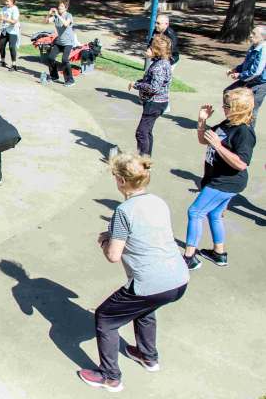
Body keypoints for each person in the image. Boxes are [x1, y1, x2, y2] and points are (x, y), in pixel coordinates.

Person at [78, 153, 188, 393]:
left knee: (105, 318)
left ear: (119, 180)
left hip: (151, 282)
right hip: (178, 279)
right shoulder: (158, 202)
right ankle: (148, 356)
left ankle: (110, 377)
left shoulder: (123, 211)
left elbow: (113, 256)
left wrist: (105, 240)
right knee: (145, 307)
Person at [183, 88, 256, 270]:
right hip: (216, 178)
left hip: (225, 182)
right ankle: (219, 253)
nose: (223, 108)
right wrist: (202, 120)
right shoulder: (228, 123)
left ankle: (189, 257)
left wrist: (218, 145)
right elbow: (204, 140)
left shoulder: (244, 132)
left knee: (195, 212)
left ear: (239, 108)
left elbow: (241, 164)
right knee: (214, 214)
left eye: (227, 105)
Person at [129, 34, 172, 156]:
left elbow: (154, 88)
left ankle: (142, 163)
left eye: (150, 48)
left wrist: (136, 85)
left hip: (154, 104)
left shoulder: (159, 66)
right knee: (147, 132)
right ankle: (147, 159)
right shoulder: (161, 63)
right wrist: (140, 82)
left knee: (141, 133)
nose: (147, 50)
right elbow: (152, 81)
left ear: (157, 51)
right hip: (156, 103)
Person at [225, 25, 266, 125]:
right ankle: (233, 121)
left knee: (251, 109)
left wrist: (239, 75)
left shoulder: (263, 50)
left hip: (259, 84)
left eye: (254, 34)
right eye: (251, 33)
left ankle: (248, 134)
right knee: (228, 93)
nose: (250, 35)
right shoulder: (253, 47)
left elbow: (256, 72)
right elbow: (246, 64)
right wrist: (235, 69)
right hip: (248, 79)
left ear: (263, 37)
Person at [46, 0, 76, 87]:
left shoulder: (69, 15)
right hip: (59, 42)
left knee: (64, 60)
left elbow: (66, 24)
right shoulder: (55, 16)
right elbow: (46, 21)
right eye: (59, 6)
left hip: (68, 42)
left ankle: (70, 80)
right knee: (51, 57)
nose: (59, 8)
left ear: (66, 8)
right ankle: (54, 76)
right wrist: (49, 14)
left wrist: (58, 16)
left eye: (62, 6)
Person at [0, 0, 20, 71]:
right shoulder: (4, 8)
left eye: (7, 1)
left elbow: (14, 21)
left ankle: (14, 65)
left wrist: (4, 19)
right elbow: (1, 17)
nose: (6, 3)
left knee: (12, 47)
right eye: (5, 1)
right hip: (5, 30)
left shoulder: (15, 9)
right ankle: (2, 61)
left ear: (12, 1)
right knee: (1, 45)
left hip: (13, 31)